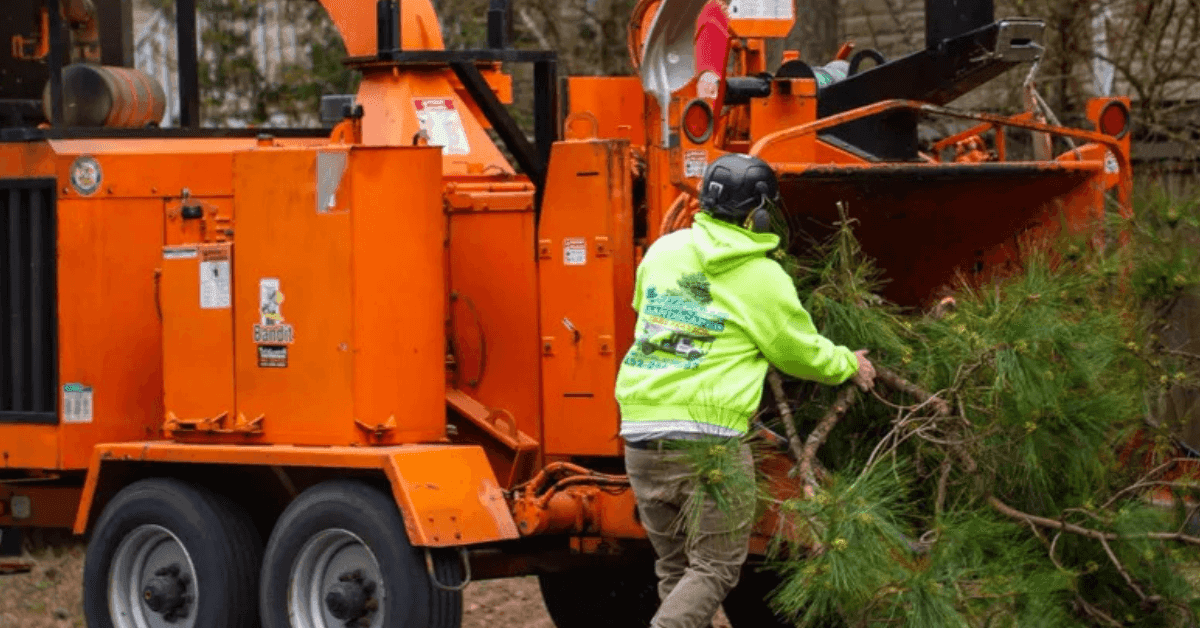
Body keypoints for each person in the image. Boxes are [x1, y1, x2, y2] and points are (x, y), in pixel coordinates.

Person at [614, 153, 876, 628]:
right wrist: (847, 363)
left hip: (640, 434)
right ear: (761, 211)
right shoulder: (760, 275)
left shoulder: (663, 252)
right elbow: (796, 351)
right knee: (713, 569)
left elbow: (644, 309)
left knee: (677, 572)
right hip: (708, 439)